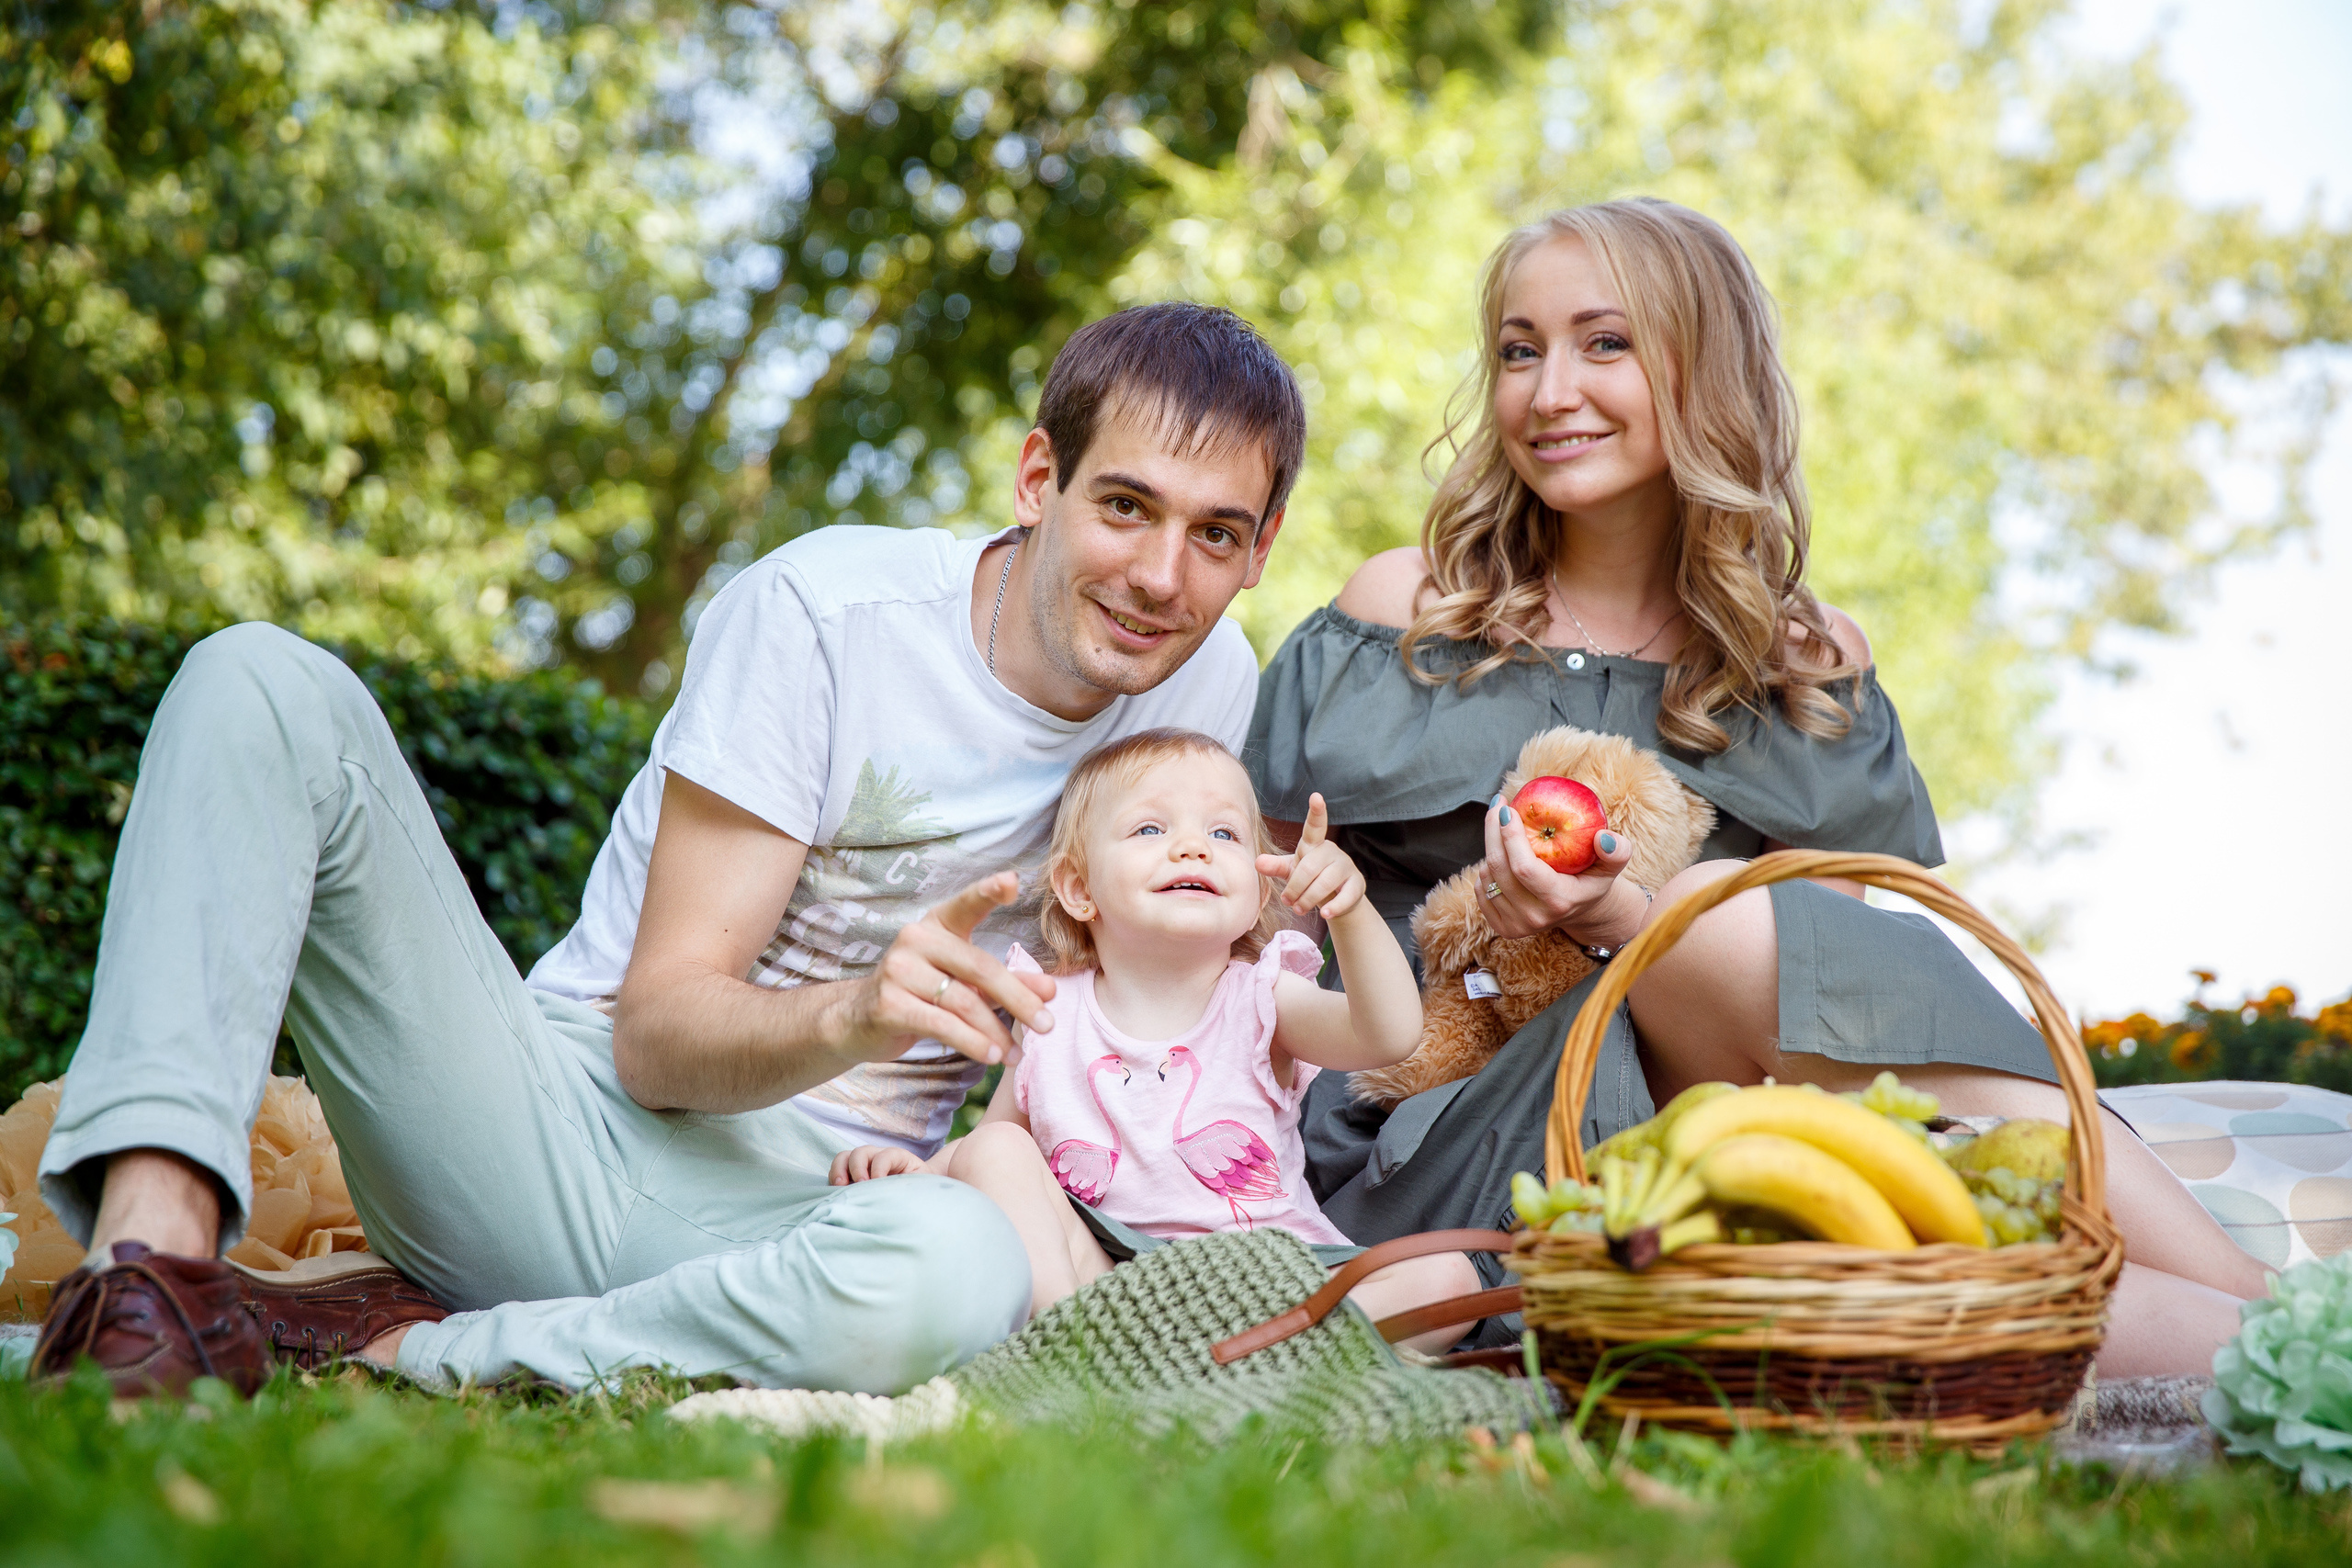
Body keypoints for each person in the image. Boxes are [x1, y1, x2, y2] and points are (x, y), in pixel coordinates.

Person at [33, 301, 1307, 1397]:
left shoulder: (1205, 689)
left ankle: (421, 1342)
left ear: (1260, 549)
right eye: (1125, 505)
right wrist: (858, 1009)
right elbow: (655, 1036)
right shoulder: (823, 614)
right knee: (258, 678)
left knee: (964, 1263)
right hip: (563, 1128)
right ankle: (149, 1278)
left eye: (1214, 533)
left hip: (821, 1213)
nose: (1157, 575)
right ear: (1040, 479)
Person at [1247, 197, 2270, 1377]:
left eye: (1605, 342)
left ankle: (2281, 1326)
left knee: (2000, 1265)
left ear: (1706, 369)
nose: (1546, 389)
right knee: (1708, 906)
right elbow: (1260, 928)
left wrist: (1625, 925)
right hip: (1451, 1130)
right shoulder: (1406, 613)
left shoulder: (1805, 661)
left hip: (1748, 1134)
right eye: (1519, 350)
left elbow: (1852, 1007)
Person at [826, 729, 1482, 1350]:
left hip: (1270, 1281)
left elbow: (1391, 1034)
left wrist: (1350, 908)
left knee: (1449, 1279)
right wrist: (919, 1175)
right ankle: (1079, 1349)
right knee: (999, 1144)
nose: (1193, 847)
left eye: (1223, 832)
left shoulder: (1262, 997)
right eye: (1150, 828)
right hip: (1105, 1276)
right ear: (1080, 888)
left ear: (1259, 896)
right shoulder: (1050, 1011)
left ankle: (1245, 1362)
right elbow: (996, 1157)